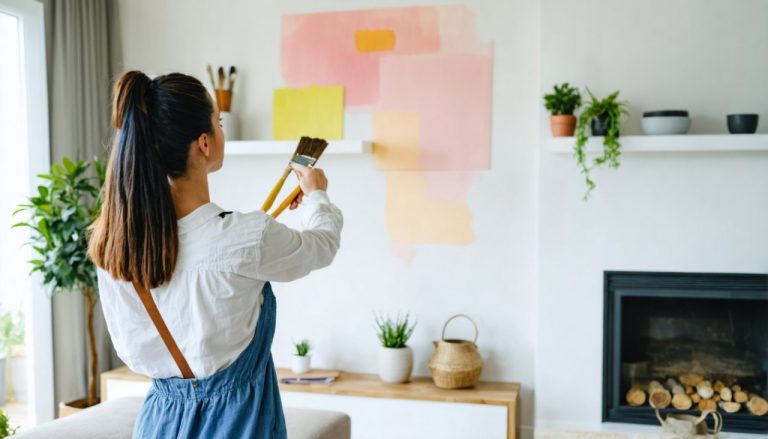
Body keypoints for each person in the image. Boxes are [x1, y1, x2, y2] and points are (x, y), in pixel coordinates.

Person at [88, 70, 343, 438]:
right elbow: (322, 246)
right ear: (205, 144)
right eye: (219, 123)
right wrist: (317, 194)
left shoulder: (113, 247)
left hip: (160, 423)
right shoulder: (245, 237)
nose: (221, 130)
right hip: (241, 424)